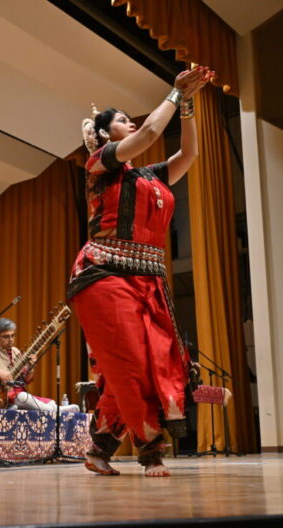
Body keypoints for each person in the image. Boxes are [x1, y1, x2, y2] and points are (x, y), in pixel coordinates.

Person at [68, 66, 213, 477]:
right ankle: (151, 451)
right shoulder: (100, 165)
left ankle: (98, 451)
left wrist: (187, 106)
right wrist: (174, 91)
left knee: (149, 363)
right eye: (119, 120)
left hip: (148, 279)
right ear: (101, 134)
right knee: (130, 362)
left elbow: (189, 155)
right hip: (103, 274)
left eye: (129, 119)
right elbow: (149, 134)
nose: (129, 123)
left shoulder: (151, 177)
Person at [0, 318, 79, 412]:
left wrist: (31, 367)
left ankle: (55, 408)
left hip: (16, 393)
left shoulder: (16, 352)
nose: (11, 340)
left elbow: (25, 380)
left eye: (12, 336)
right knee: (23, 397)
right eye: (6, 337)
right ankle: (56, 410)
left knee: (50, 401)